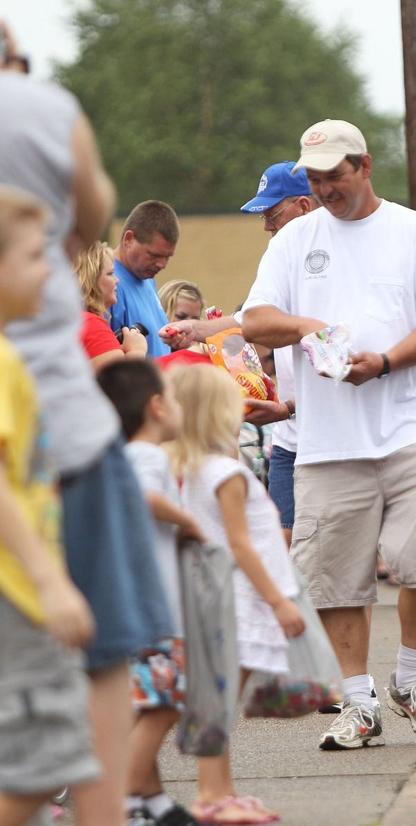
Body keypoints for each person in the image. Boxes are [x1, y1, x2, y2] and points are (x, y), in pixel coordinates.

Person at [241, 120, 416, 747]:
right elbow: (256, 318)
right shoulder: (296, 240)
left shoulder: (414, 231)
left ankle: (409, 679)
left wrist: (386, 362)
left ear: (364, 166)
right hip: (326, 440)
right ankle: (359, 702)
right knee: (335, 577)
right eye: (314, 179)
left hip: (406, 426)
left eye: (334, 177)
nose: (323, 189)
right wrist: (311, 325)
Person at [1, 26, 175, 826]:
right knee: (105, 647)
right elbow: (94, 208)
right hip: (61, 436)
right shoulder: (38, 108)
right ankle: (107, 812)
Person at [0, 186, 98, 826]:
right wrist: (47, 580)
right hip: (17, 596)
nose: (50, 273)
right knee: (47, 764)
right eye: (36, 257)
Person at [168, 365, 304, 825]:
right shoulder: (226, 473)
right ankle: (210, 795)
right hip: (239, 600)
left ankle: (222, 791)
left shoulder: (200, 468)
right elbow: (242, 544)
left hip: (222, 597)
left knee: (221, 702)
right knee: (221, 702)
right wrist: (278, 601)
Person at [159, 161, 316, 543]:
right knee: (282, 546)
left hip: (331, 443)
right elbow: (252, 317)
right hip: (290, 439)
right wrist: (199, 329)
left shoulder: (326, 261)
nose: (266, 225)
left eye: (272, 213)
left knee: (327, 566)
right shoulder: (280, 257)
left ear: (304, 207)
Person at [95, 360, 202, 826]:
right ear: (156, 407)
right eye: (174, 400)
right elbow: (144, 498)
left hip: (140, 606)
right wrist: (190, 522)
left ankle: (150, 799)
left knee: (149, 703)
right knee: (163, 705)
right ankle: (122, 795)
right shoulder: (148, 456)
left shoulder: (123, 455)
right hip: (153, 612)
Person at [109, 200, 179, 358]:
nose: (162, 264)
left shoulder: (147, 278)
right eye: (154, 255)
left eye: (167, 257)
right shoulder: (106, 282)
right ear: (128, 239)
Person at [74, 240, 149, 369]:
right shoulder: (92, 326)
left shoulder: (75, 322)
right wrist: (136, 351)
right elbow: (124, 386)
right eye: (110, 274)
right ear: (90, 280)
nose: (117, 280)